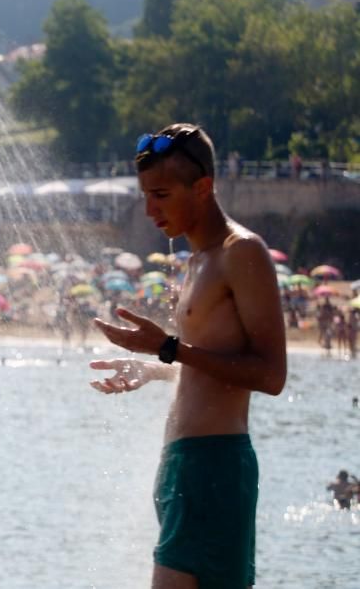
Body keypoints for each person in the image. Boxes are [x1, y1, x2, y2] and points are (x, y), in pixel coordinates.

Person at [89, 124, 286, 589]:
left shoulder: (243, 253)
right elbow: (211, 368)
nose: (149, 209)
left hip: (214, 466)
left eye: (160, 194)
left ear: (202, 187)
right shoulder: (197, 260)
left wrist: (169, 347)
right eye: (144, 195)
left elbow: (271, 374)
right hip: (184, 466)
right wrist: (157, 369)